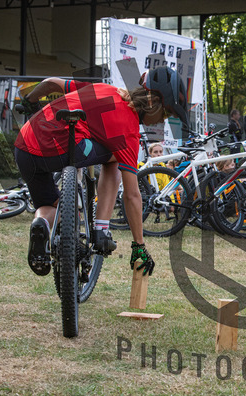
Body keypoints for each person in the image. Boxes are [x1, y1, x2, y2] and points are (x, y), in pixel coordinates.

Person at [15, 66, 187, 277]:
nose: (164, 120)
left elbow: (51, 83)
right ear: (153, 103)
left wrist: (30, 100)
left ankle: (41, 223)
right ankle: (101, 229)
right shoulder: (129, 131)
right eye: (166, 113)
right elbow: (132, 195)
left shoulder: (102, 88)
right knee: (115, 157)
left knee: (48, 205)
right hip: (59, 148)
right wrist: (139, 245)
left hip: (24, 146)